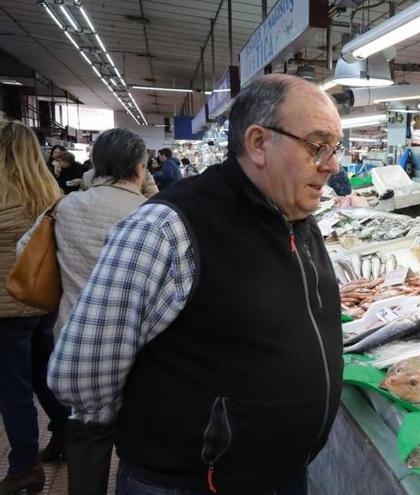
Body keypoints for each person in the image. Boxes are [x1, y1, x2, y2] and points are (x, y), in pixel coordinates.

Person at [48, 74, 344, 495]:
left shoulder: (296, 220)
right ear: (259, 143)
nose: (333, 164)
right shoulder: (166, 227)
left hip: (282, 475)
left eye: (335, 148)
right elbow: (80, 373)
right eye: (318, 146)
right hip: (191, 484)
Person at [19, 128, 149, 495]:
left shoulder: (66, 206)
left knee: (88, 439)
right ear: (140, 167)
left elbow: (24, 253)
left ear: (96, 164)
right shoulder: (151, 213)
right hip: (140, 348)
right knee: (137, 445)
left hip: (78, 343)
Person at [0, 121, 68, 495]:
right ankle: (64, 433)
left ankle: (24, 466)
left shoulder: (1, 194)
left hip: (7, 307)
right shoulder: (48, 191)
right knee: (44, 373)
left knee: (13, 388)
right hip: (42, 300)